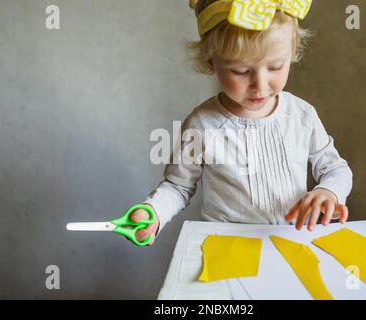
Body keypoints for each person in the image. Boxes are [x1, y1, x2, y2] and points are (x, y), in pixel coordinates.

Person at [129, 0, 353, 245]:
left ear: (292, 53)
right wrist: (154, 212)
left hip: (291, 243)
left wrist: (329, 191)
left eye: (276, 66)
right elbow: (178, 187)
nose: (260, 84)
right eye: (241, 71)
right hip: (226, 247)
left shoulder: (301, 115)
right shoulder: (202, 125)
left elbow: (335, 169)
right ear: (211, 62)